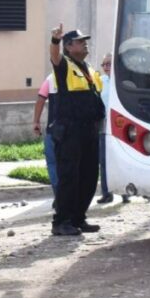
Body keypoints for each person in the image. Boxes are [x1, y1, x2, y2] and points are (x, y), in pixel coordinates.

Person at [47, 25, 104, 236]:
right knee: (69, 177)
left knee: (89, 176)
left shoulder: (88, 68)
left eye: (85, 41)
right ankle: (61, 221)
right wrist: (55, 40)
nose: (85, 44)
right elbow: (54, 57)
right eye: (80, 41)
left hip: (89, 130)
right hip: (70, 131)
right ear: (69, 47)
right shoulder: (64, 65)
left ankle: (79, 218)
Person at [97, 53, 129, 204]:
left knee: (121, 159)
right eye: (104, 64)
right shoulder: (100, 81)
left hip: (121, 125)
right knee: (104, 160)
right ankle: (106, 193)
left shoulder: (123, 81)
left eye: (109, 64)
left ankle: (125, 192)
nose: (106, 67)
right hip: (104, 124)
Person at [31, 72, 59, 203]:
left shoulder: (51, 78)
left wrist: (36, 122)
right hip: (72, 131)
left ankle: (58, 195)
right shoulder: (79, 75)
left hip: (53, 130)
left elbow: (40, 100)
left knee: (52, 163)